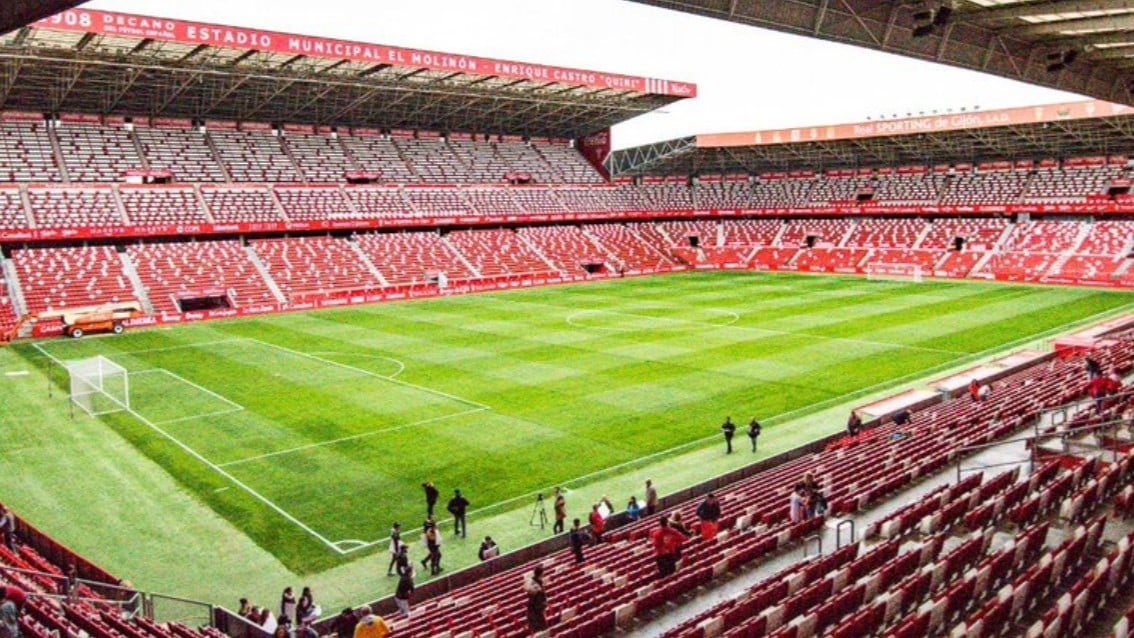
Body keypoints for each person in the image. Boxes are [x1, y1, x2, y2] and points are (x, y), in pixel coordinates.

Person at [524, 566, 548, 632]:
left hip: (535, 608)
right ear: (541, 574)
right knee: (540, 628)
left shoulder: (534, 581)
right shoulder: (536, 584)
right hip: (536, 609)